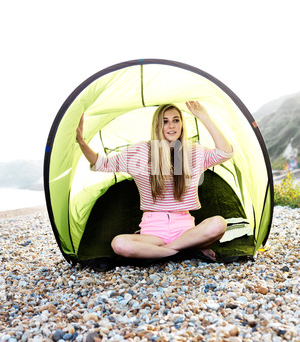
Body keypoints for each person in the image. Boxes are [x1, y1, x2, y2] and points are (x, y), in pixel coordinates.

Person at [76, 101, 234, 262]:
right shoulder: (140, 152)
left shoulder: (192, 151)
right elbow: (102, 164)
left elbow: (225, 153)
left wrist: (204, 116)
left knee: (219, 224)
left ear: (181, 124)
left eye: (176, 120)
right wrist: (81, 142)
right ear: (157, 126)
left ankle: (163, 251)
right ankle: (183, 251)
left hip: (185, 230)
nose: (171, 125)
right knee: (119, 244)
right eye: (165, 121)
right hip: (152, 232)